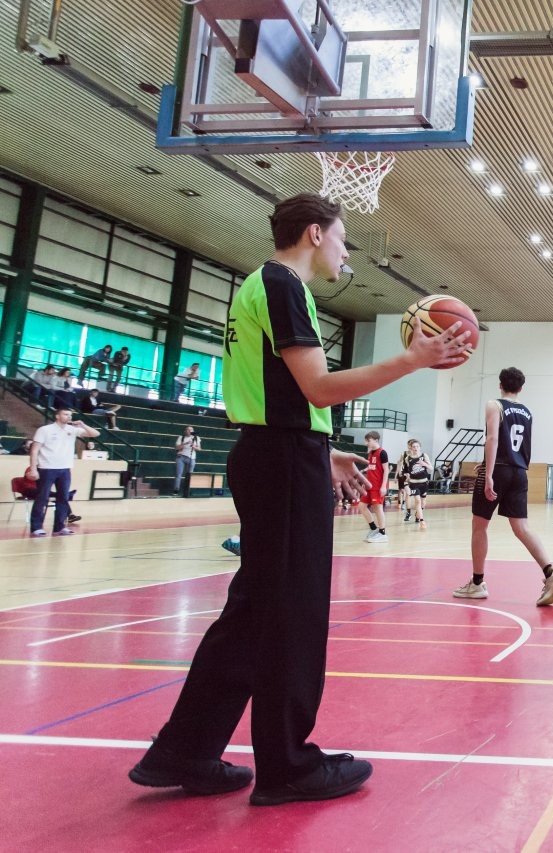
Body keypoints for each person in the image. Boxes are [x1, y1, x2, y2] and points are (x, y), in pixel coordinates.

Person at [126, 192, 471, 806]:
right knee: (292, 617)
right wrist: (412, 361)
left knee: (252, 617)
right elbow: (319, 385)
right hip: (280, 460)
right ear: (314, 233)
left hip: (279, 452)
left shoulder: (266, 285)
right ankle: (287, 766)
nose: (346, 253)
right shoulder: (283, 284)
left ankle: (184, 750)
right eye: (341, 239)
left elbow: (285, 392)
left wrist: (319, 447)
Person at [454, 367, 553, 606]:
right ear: (521, 388)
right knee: (522, 528)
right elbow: (518, 445)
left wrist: (489, 473)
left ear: (500, 385)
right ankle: (551, 573)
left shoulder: (494, 405)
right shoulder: (527, 412)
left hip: (499, 470)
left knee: (479, 526)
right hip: (519, 472)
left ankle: (477, 583)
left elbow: (493, 438)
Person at [26, 408, 99, 536]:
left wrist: (82, 425)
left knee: (63, 498)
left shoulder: (72, 430)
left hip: (65, 469)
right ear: (57, 416)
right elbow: (34, 450)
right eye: (65, 414)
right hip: (46, 468)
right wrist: (33, 468)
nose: (69, 417)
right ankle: (36, 527)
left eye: (70, 415)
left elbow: (95, 434)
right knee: (42, 498)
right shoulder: (45, 430)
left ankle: (59, 527)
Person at [357, 430, 390, 542]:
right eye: (366, 441)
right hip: (369, 485)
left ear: (376, 440)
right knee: (361, 506)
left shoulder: (382, 453)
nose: (366, 443)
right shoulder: (370, 452)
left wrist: (383, 486)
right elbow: (373, 466)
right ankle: (373, 528)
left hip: (378, 485)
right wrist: (363, 471)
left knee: (377, 508)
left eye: (368, 440)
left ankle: (382, 533)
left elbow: (386, 470)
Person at [400, 439, 432, 527]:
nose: (415, 448)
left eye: (417, 446)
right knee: (417, 501)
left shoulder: (424, 456)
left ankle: (418, 513)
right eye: (414, 447)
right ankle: (422, 521)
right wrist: (406, 477)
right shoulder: (407, 458)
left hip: (424, 482)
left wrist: (424, 464)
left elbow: (431, 468)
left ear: (420, 447)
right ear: (411, 448)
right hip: (414, 483)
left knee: (423, 503)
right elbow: (406, 470)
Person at [174, 426, 202, 495]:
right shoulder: (181, 437)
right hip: (181, 457)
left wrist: (194, 447)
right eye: (188, 429)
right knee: (178, 474)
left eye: (191, 430)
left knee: (190, 475)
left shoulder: (196, 438)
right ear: (185, 431)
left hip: (191, 458)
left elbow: (199, 448)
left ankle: (188, 490)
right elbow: (176, 448)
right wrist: (185, 443)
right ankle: (176, 490)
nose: (190, 431)